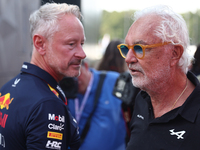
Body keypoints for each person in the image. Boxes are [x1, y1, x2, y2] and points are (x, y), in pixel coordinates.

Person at [0, 3, 86, 150]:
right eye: (71, 44)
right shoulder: (47, 104)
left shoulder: (9, 87)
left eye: (82, 43)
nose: (82, 54)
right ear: (40, 44)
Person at [117, 5, 200, 149]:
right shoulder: (142, 99)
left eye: (139, 48)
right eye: (126, 48)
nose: (128, 58)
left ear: (174, 53)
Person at [64, 60, 127, 150]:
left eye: (77, 72)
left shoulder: (114, 81)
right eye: (67, 75)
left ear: (86, 66)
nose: (75, 79)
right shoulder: (64, 91)